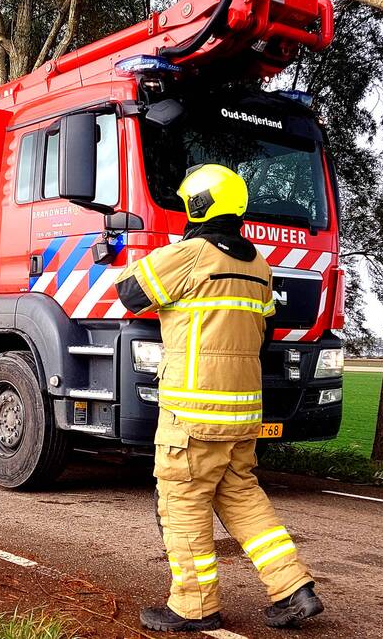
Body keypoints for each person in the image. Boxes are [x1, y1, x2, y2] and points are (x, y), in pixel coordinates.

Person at [115, 164, 324, 632]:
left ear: (197, 205)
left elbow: (130, 293)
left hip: (191, 416)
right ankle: (294, 588)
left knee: (183, 503)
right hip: (243, 413)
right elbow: (265, 332)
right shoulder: (258, 266)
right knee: (243, 498)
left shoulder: (189, 254)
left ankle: (194, 606)